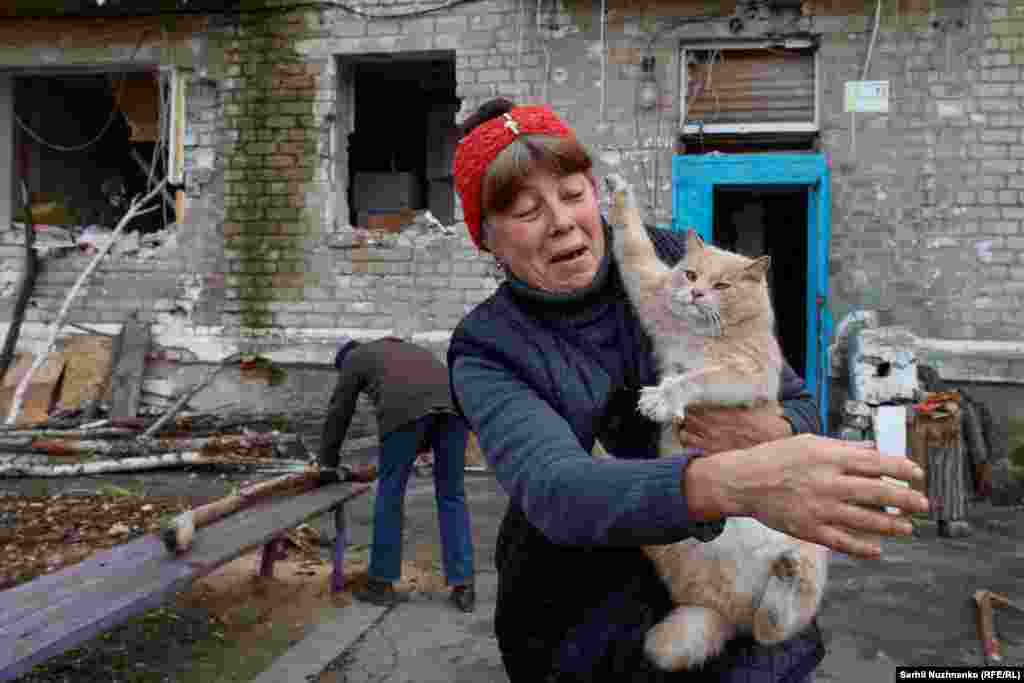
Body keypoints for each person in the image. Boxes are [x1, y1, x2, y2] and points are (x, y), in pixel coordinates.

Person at [446, 98, 929, 681]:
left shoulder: (685, 263)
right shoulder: (488, 346)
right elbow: (556, 489)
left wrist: (774, 432)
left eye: (574, 195)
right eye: (526, 211)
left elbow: (797, 402)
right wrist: (739, 483)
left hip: (751, 624)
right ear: (486, 240)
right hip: (585, 632)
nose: (563, 221)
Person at [318, 335, 476, 612]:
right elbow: (430, 392)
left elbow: (339, 411)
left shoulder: (353, 360)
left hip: (404, 412)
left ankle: (381, 583)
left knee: (390, 493)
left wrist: (327, 463)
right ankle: (464, 585)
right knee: (452, 494)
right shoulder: (400, 348)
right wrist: (424, 442)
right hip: (455, 411)